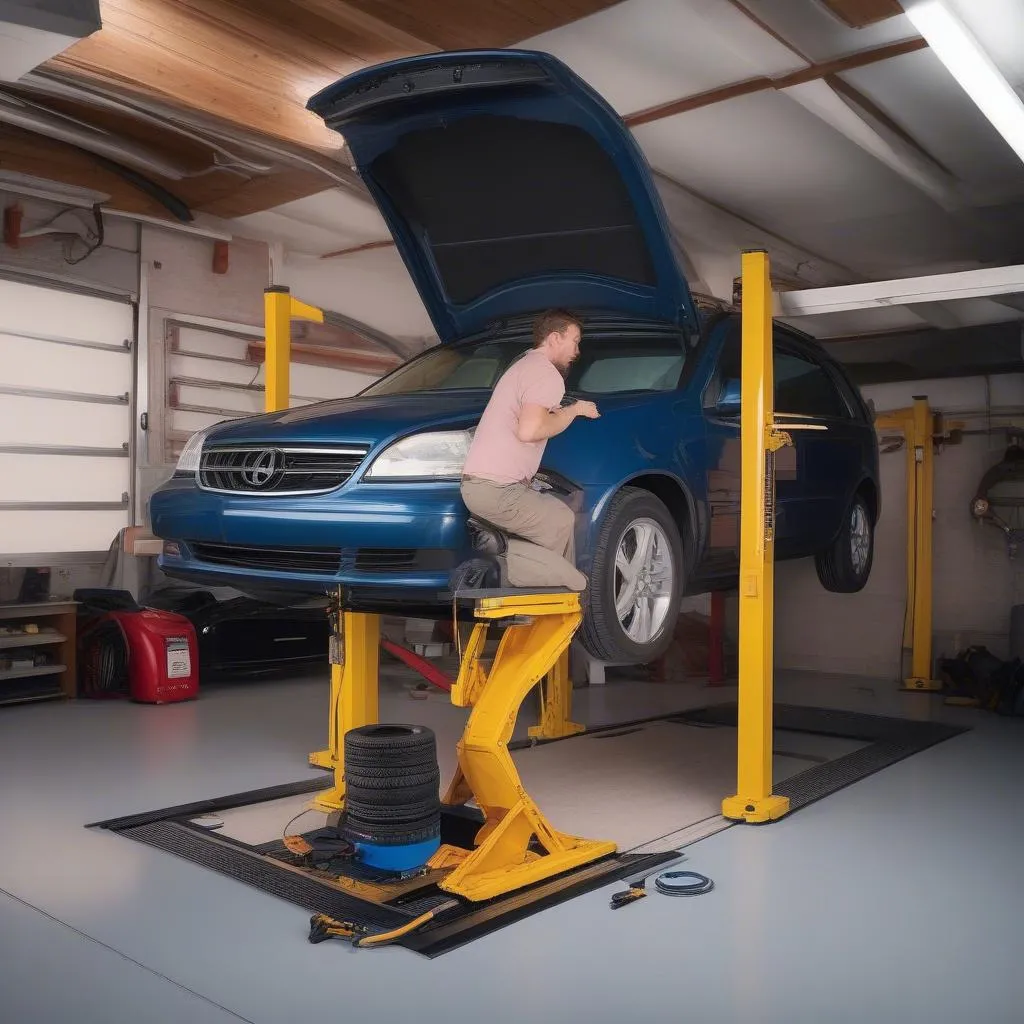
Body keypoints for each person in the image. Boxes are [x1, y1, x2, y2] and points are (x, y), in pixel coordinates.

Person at [452, 309, 600, 592]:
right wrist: (574, 410)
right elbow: (529, 431)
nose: (577, 351)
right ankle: (499, 560)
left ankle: (535, 598)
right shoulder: (546, 374)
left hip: (480, 486)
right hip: (497, 490)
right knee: (560, 523)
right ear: (555, 338)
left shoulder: (523, 365)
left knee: (554, 523)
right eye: (575, 341)